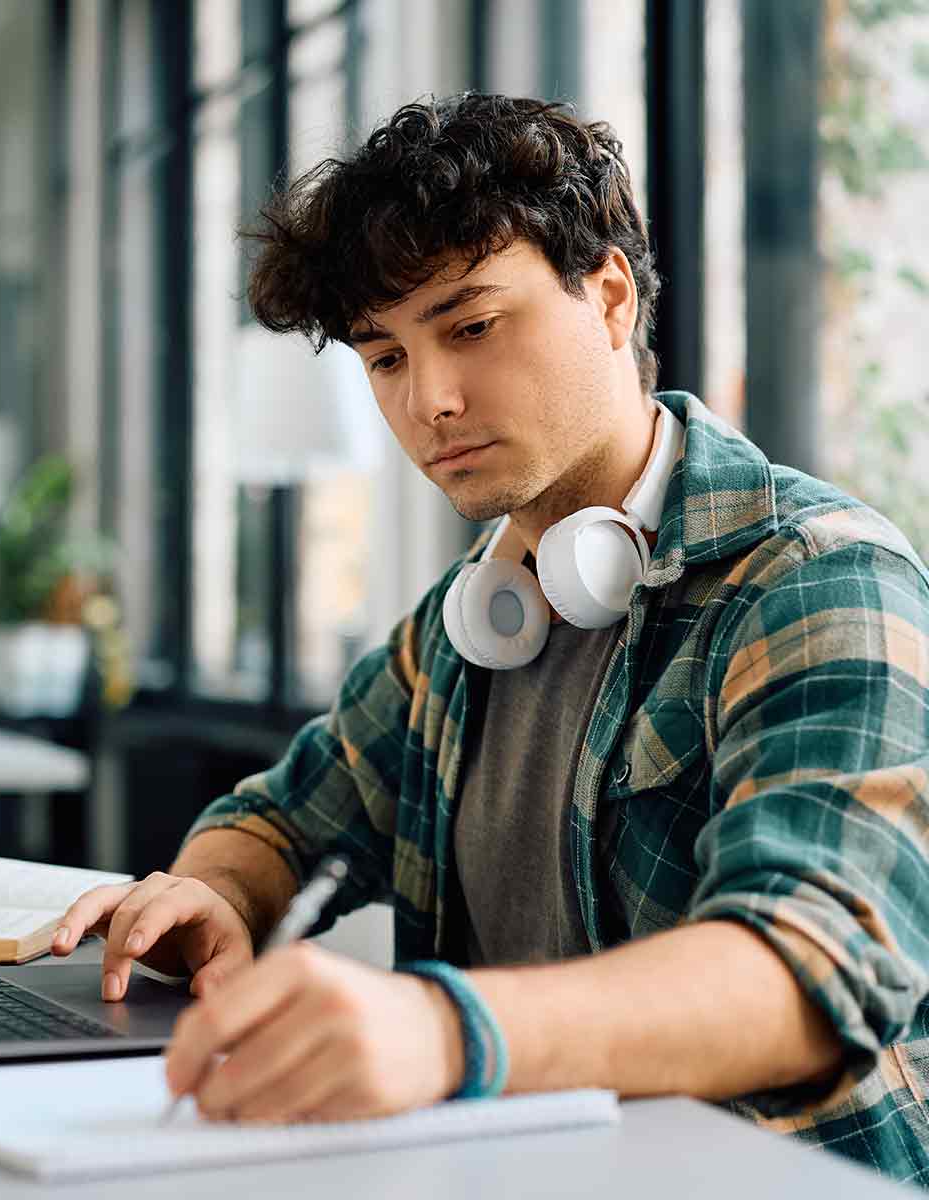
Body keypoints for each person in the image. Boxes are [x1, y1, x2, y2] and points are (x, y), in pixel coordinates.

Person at [52, 94, 929, 1183]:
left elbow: (811, 974)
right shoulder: (472, 621)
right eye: (384, 358)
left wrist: (440, 1030)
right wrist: (214, 897)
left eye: (470, 326)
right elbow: (276, 819)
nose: (433, 401)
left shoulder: (818, 581)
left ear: (610, 297)